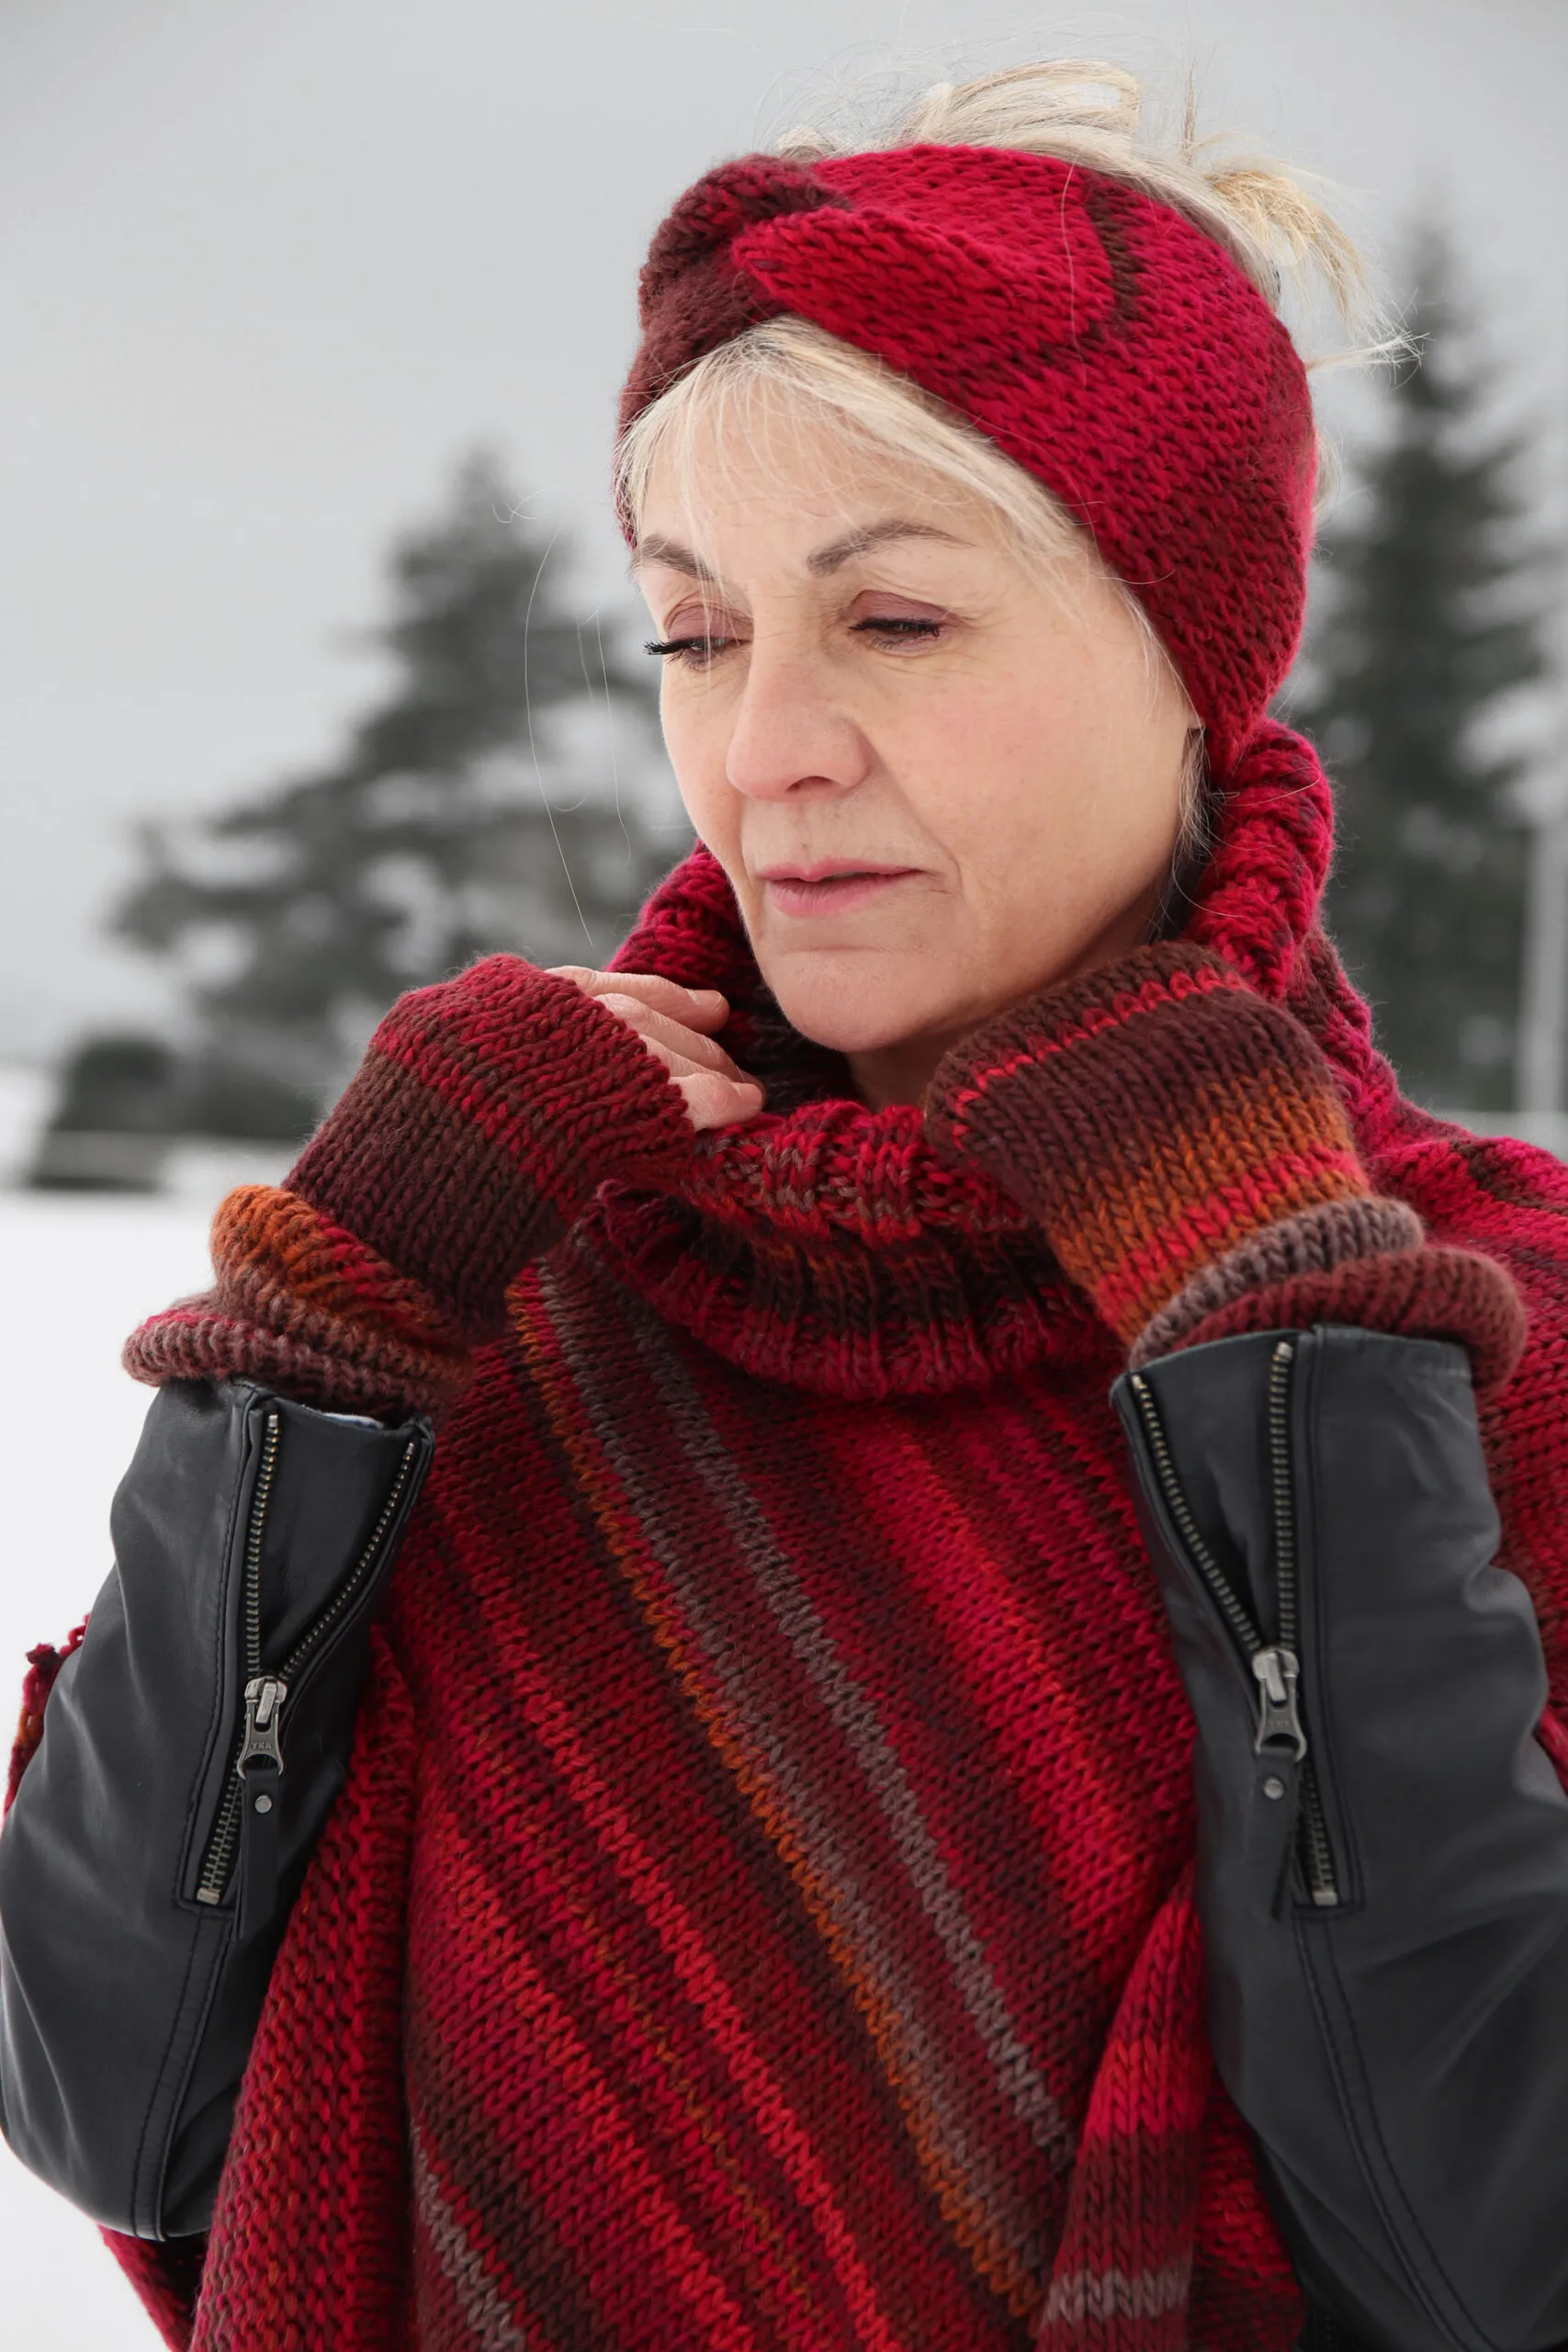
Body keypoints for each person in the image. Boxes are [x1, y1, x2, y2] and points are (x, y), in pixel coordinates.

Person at [4, 57, 1568, 2352]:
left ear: (1190, 649)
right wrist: (318, 1340)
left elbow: (1480, 2238)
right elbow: (107, 2099)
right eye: (694, 630)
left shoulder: (1471, 1328)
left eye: (895, 621)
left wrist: (1273, 1340)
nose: (765, 749)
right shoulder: (509, 1287)